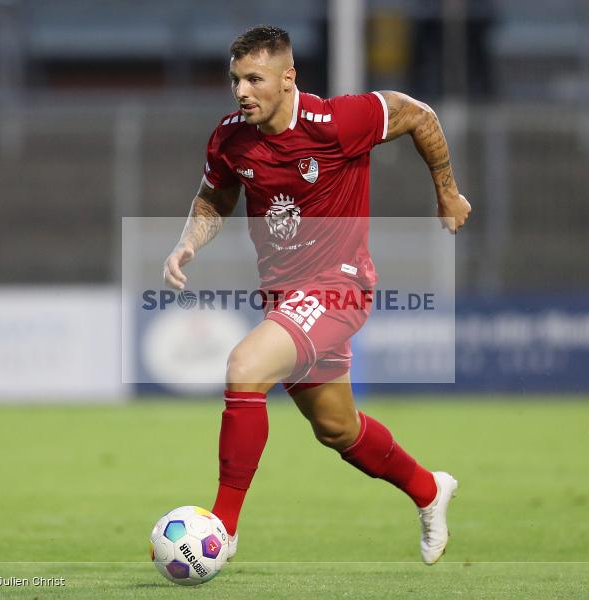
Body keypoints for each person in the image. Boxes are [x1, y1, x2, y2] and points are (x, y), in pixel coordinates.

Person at [162, 25, 471, 565]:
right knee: (337, 428)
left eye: (254, 79)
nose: (241, 91)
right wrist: (188, 242)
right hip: (284, 298)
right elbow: (215, 196)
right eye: (235, 80)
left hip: (339, 285)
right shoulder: (231, 138)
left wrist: (447, 192)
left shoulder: (338, 121)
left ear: (288, 78)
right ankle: (429, 489)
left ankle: (222, 529)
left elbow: (419, 115)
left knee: (244, 367)